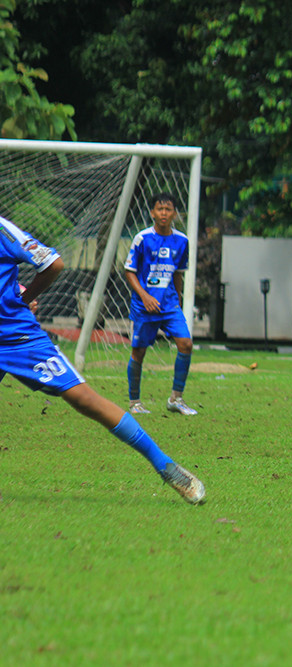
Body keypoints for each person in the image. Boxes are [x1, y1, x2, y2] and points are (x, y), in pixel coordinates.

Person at [0, 215, 205, 503]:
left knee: (85, 399)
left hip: (16, 337)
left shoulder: (3, 229)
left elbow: (53, 263)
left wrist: (21, 298)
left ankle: (166, 466)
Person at [124, 193, 197, 416]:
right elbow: (129, 272)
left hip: (169, 305)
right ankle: (134, 402)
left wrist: (179, 302)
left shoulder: (182, 241)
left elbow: (178, 275)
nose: (164, 213)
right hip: (145, 306)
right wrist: (145, 296)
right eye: (159, 209)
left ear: (175, 213)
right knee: (139, 352)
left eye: (168, 209)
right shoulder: (142, 239)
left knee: (186, 344)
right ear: (152, 213)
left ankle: (176, 398)